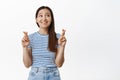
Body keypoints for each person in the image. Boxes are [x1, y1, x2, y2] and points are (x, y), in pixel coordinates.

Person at [21, 6, 67, 80]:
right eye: (41, 15)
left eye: (48, 15)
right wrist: (24, 47)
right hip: (35, 75)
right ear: (36, 19)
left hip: (54, 75)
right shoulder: (30, 38)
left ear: (51, 19)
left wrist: (62, 47)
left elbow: (59, 64)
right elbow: (27, 64)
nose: (44, 18)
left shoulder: (58, 37)